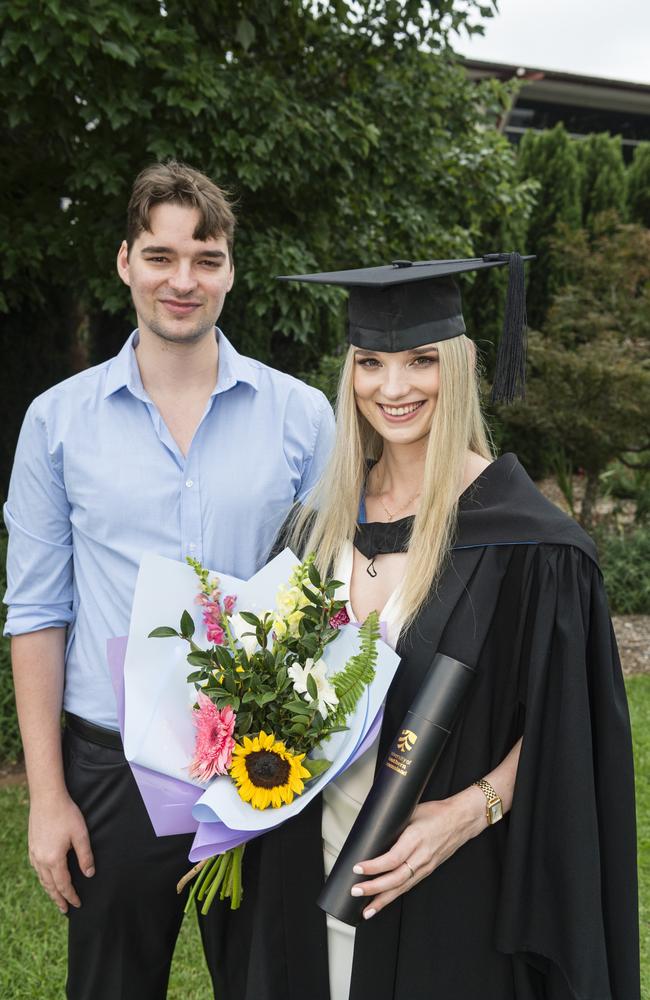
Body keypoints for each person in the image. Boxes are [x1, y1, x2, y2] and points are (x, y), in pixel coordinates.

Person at [201, 255, 640, 1000]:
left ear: (460, 368)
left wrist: (475, 809)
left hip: (448, 888)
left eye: (420, 361)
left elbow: (576, 725)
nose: (394, 387)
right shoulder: (312, 531)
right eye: (370, 362)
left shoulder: (534, 546)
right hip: (305, 878)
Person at [3, 160, 334, 1000]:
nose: (182, 280)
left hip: (263, 766)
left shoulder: (303, 416)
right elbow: (38, 611)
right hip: (112, 767)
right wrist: (49, 797)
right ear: (125, 262)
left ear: (231, 269)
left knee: (275, 985)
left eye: (206, 258)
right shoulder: (57, 421)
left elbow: (328, 597)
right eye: (161, 256)